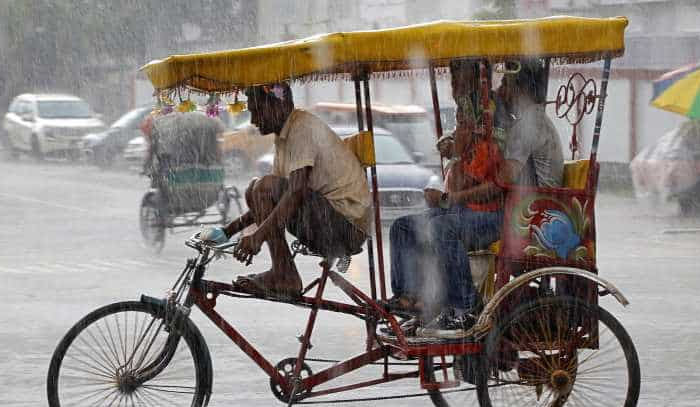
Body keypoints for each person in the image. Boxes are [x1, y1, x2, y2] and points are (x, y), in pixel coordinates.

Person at [415, 60, 565, 339]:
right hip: (523, 211)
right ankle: (435, 301)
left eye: (507, 84)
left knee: (442, 227)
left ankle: (464, 308)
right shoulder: (524, 120)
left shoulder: (527, 123)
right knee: (424, 223)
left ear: (520, 89)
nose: (502, 89)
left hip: (528, 218)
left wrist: (455, 193)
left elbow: (502, 180)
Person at [198, 83, 371, 298]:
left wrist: (258, 237)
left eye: (256, 111)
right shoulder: (284, 136)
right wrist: (227, 231)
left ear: (277, 105)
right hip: (332, 221)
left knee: (263, 187)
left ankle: (284, 274)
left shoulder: (302, 128)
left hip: (347, 228)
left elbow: (295, 192)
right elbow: (271, 201)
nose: (253, 121)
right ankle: (283, 271)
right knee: (255, 188)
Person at [387, 59, 507, 314]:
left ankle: (465, 303)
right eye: (453, 79)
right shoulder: (466, 109)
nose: (455, 85)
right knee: (402, 227)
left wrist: (456, 158)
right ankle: (410, 295)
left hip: (491, 214)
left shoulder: (489, 112)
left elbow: (486, 183)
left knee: (440, 227)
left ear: (475, 77)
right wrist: (452, 144)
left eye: (459, 78)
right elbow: (457, 158)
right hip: (463, 208)